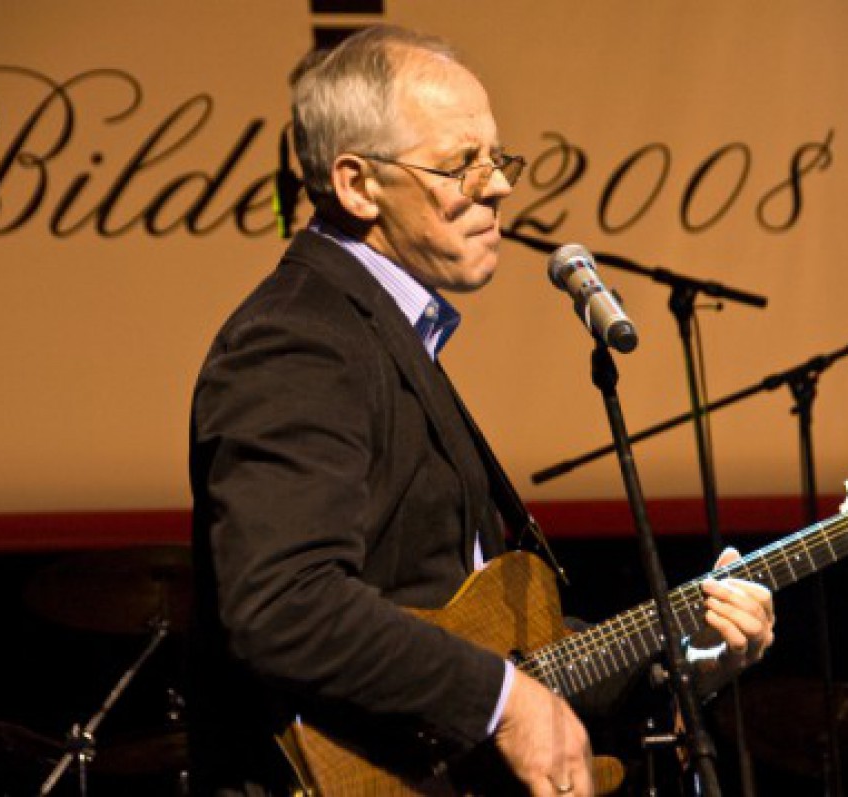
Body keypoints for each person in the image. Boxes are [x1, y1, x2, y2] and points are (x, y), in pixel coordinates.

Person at [187, 24, 775, 797]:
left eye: (498, 159)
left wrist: (686, 660)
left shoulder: (383, 333)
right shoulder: (300, 338)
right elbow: (283, 602)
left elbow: (497, 646)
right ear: (358, 185)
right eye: (461, 164)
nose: (497, 186)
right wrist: (504, 701)